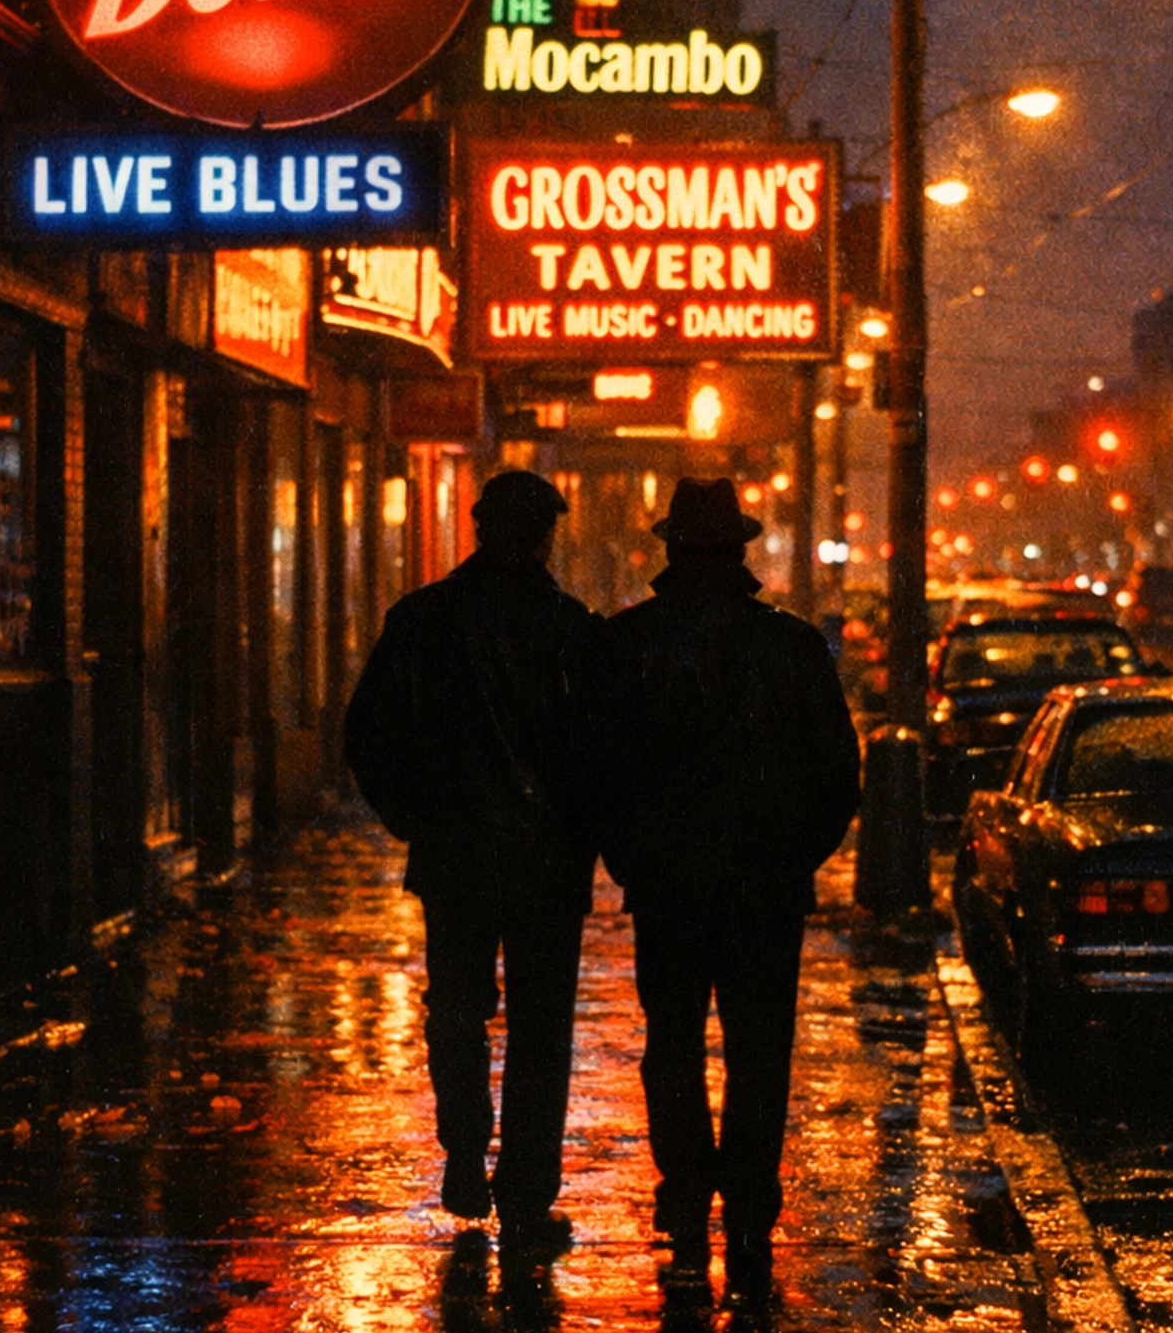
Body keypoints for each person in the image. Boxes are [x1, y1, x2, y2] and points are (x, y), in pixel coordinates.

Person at [594, 477, 861, 1288]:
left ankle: (684, 1197)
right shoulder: (790, 645)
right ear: (740, 552)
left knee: (670, 1045)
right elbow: (836, 773)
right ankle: (747, 1210)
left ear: (670, 548)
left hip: (669, 887)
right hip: (764, 891)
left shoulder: (628, 643)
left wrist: (631, 859)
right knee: (758, 1053)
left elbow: (595, 774)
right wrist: (792, 857)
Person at [344, 470, 596, 1255]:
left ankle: (463, 1154)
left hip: (453, 858)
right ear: (545, 534)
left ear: (480, 527)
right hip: (548, 867)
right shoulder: (568, 630)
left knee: (456, 1008)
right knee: (540, 1028)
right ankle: (525, 1192)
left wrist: (416, 819)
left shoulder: (422, 621)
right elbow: (602, 752)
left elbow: (366, 735)